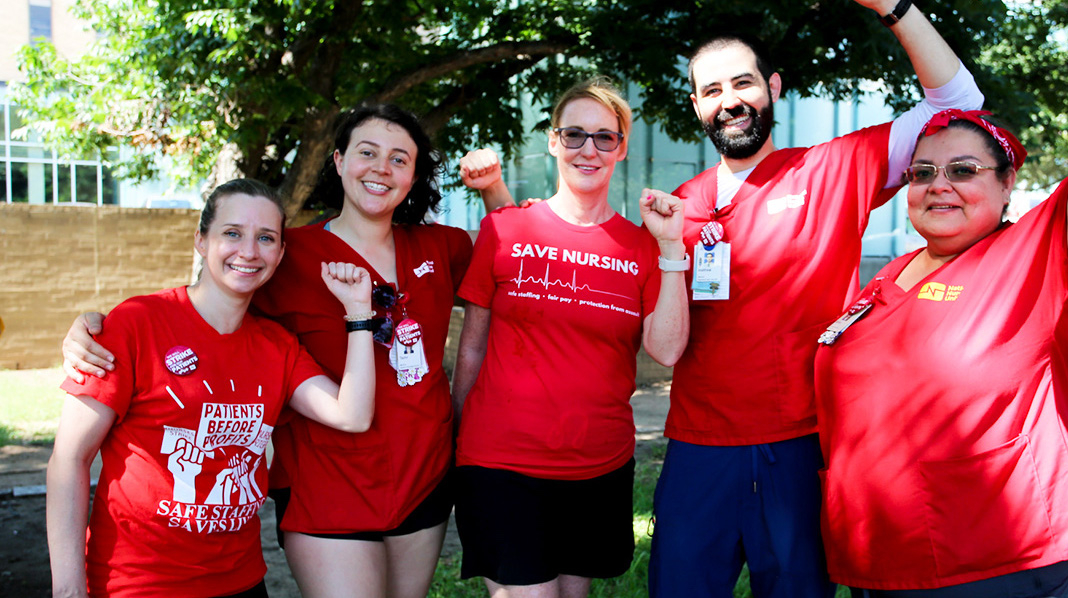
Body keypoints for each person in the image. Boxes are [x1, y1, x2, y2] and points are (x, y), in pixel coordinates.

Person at [60, 104, 512, 597]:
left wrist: (492, 188)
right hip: (325, 481)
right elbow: (208, 299)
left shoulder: (442, 245)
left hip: (422, 475)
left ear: (415, 174)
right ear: (338, 162)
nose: (381, 168)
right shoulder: (288, 253)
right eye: (367, 152)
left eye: (399, 158)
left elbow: (513, 260)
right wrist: (91, 328)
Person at [813, 1, 1068, 595]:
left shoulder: (1040, 256)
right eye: (921, 173)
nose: (938, 185)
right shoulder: (889, 275)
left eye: (964, 170)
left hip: (988, 562)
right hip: (878, 557)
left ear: (1006, 185)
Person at [647, 2, 987, 596]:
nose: (730, 100)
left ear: (773, 88)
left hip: (803, 442)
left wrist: (895, 8)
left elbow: (958, 102)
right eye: (712, 90)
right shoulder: (679, 204)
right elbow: (665, 341)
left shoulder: (832, 168)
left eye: (744, 82)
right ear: (697, 105)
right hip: (700, 446)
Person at [47, 179, 377, 598]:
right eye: (232, 233)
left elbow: (352, 414)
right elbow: (68, 460)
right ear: (202, 241)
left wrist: (359, 312)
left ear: (279, 254)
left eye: (266, 238)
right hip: (137, 584)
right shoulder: (138, 323)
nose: (249, 251)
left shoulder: (277, 347)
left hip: (240, 582)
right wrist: (69, 591)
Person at [451, 78, 688, 598]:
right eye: (575, 134)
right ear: (554, 141)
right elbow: (471, 346)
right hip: (502, 461)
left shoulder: (641, 246)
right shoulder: (504, 229)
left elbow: (667, 350)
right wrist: (459, 438)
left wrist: (671, 247)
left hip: (598, 463)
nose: (589, 149)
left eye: (605, 137)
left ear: (621, 148)